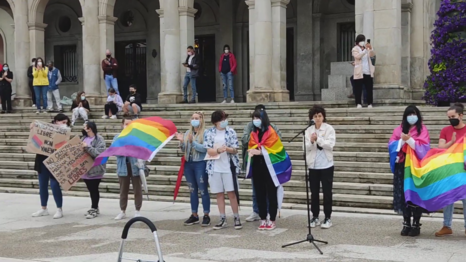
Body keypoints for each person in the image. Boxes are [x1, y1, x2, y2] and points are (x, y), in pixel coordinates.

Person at [388, 105, 431, 237]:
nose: (412, 117)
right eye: (409, 114)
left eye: (414, 114)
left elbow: (424, 147)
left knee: (415, 194)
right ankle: (406, 222)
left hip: (415, 167)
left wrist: (410, 140)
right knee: (403, 194)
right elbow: (391, 145)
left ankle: (416, 224)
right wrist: (401, 140)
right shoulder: (399, 129)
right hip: (402, 166)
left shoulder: (422, 129)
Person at [241, 104, 282, 222]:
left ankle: (270, 214)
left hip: (270, 163)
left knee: (270, 190)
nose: (256, 120)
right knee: (257, 190)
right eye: (254, 117)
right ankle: (257, 212)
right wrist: (254, 142)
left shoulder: (271, 128)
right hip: (256, 163)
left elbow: (277, 141)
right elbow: (244, 140)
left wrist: (263, 147)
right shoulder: (251, 128)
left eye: (258, 117)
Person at [204, 110, 242, 230]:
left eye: (225, 119)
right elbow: (208, 149)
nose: (224, 121)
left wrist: (229, 149)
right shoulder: (209, 133)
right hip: (214, 167)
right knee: (219, 193)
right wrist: (218, 150)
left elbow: (236, 149)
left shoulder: (230, 131)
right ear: (216, 122)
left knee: (231, 193)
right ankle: (222, 218)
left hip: (228, 166)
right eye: (222, 119)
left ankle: (236, 217)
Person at [435, 103, 466, 237]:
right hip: (449, 170)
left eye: (453, 116)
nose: (451, 119)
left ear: (461, 115)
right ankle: (447, 225)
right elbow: (440, 147)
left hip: (464, 170)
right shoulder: (446, 130)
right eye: (449, 117)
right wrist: (451, 142)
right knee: (448, 198)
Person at [31, 113, 71, 219]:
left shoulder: (65, 133)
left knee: (54, 185)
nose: (64, 125)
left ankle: (59, 209)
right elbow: (35, 139)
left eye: (66, 123)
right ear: (56, 121)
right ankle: (43, 208)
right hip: (42, 159)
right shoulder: (45, 129)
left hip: (56, 161)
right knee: (42, 185)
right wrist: (32, 128)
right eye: (63, 122)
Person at [175, 111, 210, 226]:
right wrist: (181, 142)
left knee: (203, 189)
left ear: (201, 120)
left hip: (200, 163)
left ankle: (206, 214)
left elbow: (205, 149)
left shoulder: (205, 133)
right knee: (192, 189)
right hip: (188, 163)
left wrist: (193, 142)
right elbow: (184, 149)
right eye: (193, 118)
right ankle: (194, 214)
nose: (194, 120)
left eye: (197, 118)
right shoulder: (187, 132)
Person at [305, 105, 336, 229]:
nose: (317, 119)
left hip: (326, 165)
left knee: (327, 192)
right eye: (315, 116)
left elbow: (330, 145)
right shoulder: (308, 130)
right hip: (313, 165)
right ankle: (315, 216)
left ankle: (327, 217)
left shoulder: (329, 129)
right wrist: (311, 141)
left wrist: (319, 139)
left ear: (323, 117)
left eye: (320, 116)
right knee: (314, 193)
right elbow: (305, 147)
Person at [114, 118, 144, 220]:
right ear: (122, 125)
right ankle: (122, 210)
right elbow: (115, 152)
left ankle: (137, 210)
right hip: (123, 166)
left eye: (130, 124)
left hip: (135, 166)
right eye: (126, 124)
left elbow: (141, 152)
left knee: (137, 189)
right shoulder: (118, 137)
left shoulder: (137, 138)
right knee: (123, 190)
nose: (128, 126)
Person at [80, 121, 107, 219]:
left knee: (94, 189)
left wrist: (87, 147)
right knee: (90, 189)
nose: (83, 127)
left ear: (90, 128)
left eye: (85, 126)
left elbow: (99, 153)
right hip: (85, 168)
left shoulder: (99, 139)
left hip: (96, 168)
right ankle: (95, 207)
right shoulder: (83, 138)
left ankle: (94, 208)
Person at [352, 34, 375, 109]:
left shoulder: (366, 48)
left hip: (368, 71)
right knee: (358, 88)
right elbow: (357, 56)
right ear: (358, 41)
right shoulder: (355, 49)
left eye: (363, 40)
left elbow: (372, 56)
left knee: (369, 88)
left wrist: (371, 49)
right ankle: (358, 103)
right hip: (359, 72)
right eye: (361, 40)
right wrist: (364, 51)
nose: (362, 42)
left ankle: (370, 103)